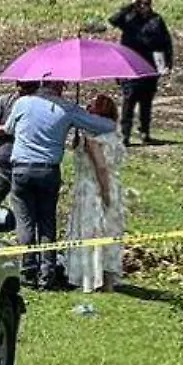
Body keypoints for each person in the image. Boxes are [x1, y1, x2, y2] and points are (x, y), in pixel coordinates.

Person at [4, 81, 118, 290]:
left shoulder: (22, 103)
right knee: (47, 221)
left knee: (25, 221)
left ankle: (28, 269)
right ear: (60, 87)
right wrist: (76, 117)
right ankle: (47, 273)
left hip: (20, 168)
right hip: (48, 170)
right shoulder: (66, 108)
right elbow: (105, 126)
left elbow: (9, 128)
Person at [65, 94, 127, 293]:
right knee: (110, 232)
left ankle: (90, 279)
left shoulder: (92, 138)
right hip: (114, 186)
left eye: (91, 105)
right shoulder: (115, 134)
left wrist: (105, 191)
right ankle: (108, 280)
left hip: (93, 189)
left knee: (92, 231)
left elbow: (100, 167)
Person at [109, 0, 174, 146]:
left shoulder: (156, 20)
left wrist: (168, 63)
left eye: (146, 3)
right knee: (129, 101)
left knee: (146, 101)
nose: (143, 6)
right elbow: (113, 20)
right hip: (129, 65)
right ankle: (125, 135)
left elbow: (166, 43)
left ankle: (145, 132)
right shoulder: (129, 18)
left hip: (149, 65)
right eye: (140, 3)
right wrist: (130, 6)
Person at [0, 81, 39, 211]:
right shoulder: (5, 101)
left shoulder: (40, 106)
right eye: (21, 84)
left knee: (25, 211)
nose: (22, 88)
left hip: (28, 168)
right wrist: (8, 129)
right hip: (2, 168)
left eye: (28, 86)